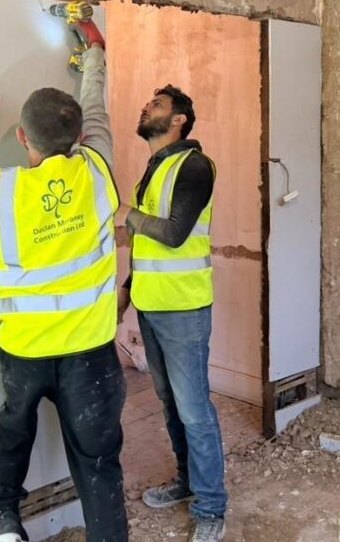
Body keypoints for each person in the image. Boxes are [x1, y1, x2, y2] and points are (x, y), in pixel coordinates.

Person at [0, 30, 130, 542]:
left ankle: (7, 520)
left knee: (15, 431)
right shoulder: (97, 169)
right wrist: (94, 52)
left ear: (21, 137)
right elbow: (95, 106)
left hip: (24, 352)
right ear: (79, 136)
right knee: (99, 463)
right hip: (90, 352)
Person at [120, 85, 227, 542]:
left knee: (195, 410)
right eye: (149, 103)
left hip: (184, 309)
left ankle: (211, 507)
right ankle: (187, 482)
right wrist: (127, 291)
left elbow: (175, 233)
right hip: (152, 304)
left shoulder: (194, 166)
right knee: (170, 404)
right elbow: (147, 248)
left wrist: (126, 213)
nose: (147, 107)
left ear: (179, 119)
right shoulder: (155, 168)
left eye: (158, 105)